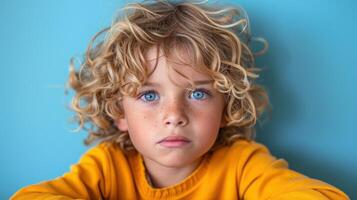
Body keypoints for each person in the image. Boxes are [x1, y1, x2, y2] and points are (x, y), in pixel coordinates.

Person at [12, 0, 349, 199]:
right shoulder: (107, 166)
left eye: (198, 93)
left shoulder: (242, 165)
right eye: (148, 95)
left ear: (226, 107)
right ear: (120, 113)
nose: (174, 114)